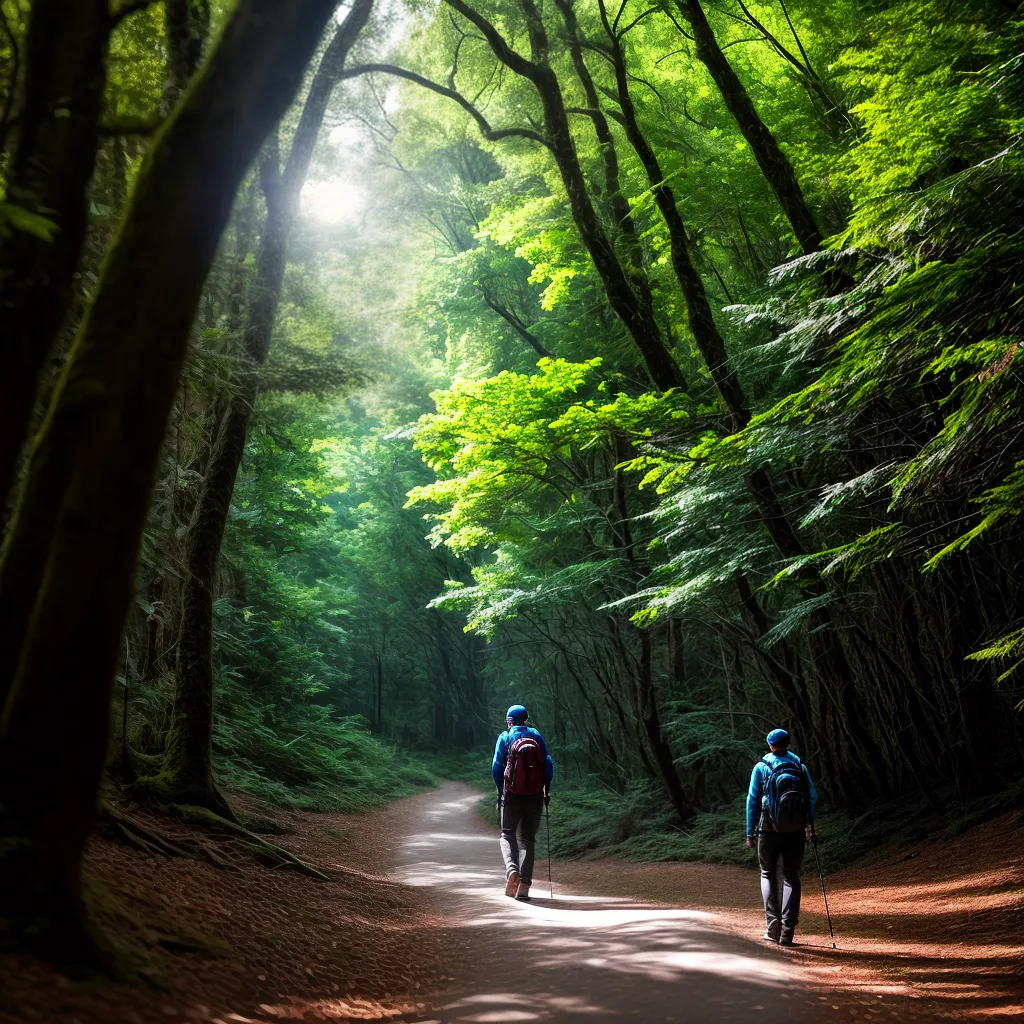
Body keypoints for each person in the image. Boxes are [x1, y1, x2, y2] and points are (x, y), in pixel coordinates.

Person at [746, 728, 817, 946]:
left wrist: (750, 831)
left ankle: (772, 926)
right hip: (796, 831)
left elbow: (752, 800)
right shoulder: (800, 766)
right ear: (788, 743)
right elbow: (812, 797)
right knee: (791, 877)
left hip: (769, 829)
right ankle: (788, 930)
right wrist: (809, 825)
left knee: (767, 873)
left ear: (770, 745)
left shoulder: (761, 767)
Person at [492, 704, 553, 900]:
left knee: (507, 833)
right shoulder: (536, 735)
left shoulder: (505, 737)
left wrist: (500, 791)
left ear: (509, 720)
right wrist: (546, 790)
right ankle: (525, 886)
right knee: (527, 840)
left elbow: (496, 766)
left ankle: (512, 870)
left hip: (511, 794)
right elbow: (548, 763)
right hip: (534, 795)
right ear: (525, 718)